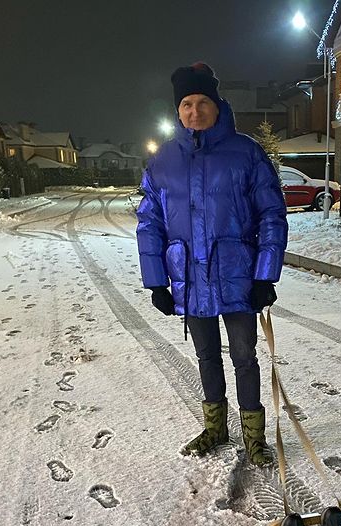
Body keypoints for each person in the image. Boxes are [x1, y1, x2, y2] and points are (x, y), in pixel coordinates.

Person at [136, 62, 288, 466]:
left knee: (243, 355)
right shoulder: (164, 161)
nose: (194, 110)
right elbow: (149, 222)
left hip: (237, 277)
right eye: (186, 103)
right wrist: (156, 282)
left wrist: (264, 275)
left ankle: (254, 437)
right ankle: (215, 428)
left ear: (217, 105)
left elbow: (271, 215)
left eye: (203, 101)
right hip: (188, 278)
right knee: (206, 355)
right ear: (178, 110)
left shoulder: (246, 153)